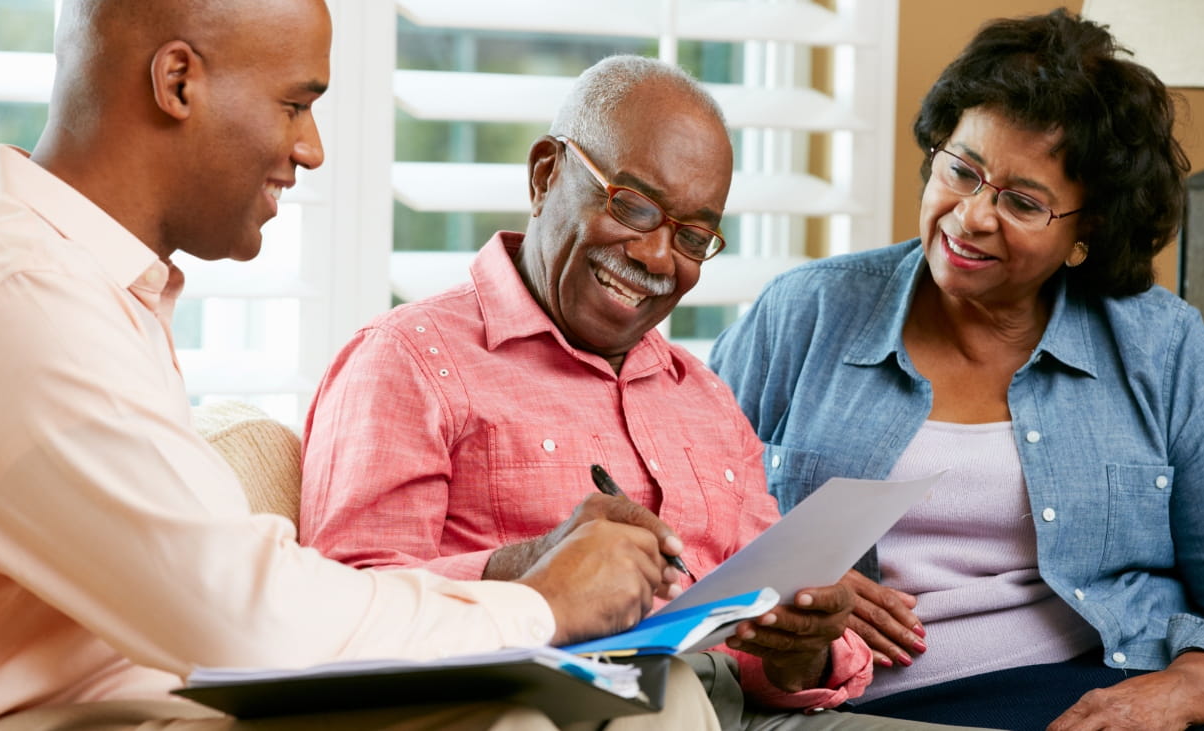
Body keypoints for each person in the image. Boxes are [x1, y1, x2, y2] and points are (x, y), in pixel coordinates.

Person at [0, 2, 724, 729]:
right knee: (532, 712)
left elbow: (244, 594)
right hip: (77, 713)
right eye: (295, 105)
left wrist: (537, 578)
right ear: (178, 82)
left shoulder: (88, 282)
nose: (311, 149)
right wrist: (547, 603)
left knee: (651, 695)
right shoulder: (22, 296)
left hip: (156, 691)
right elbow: (244, 617)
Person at [299, 54, 986, 731]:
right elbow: (346, 612)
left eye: (692, 235)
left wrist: (800, 641)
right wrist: (528, 567)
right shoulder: (409, 361)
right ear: (545, 175)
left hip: (744, 712)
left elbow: (768, 663)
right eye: (633, 205)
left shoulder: (705, 394)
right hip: (558, 703)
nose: (658, 257)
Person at [709, 9, 1204, 731]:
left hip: (1103, 692)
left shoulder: (1161, 346)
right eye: (961, 170)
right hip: (861, 706)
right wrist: (782, 584)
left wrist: (1183, 689)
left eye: (1022, 201)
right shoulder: (804, 313)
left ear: (1086, 232)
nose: (970, 217)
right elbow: (685, 530)